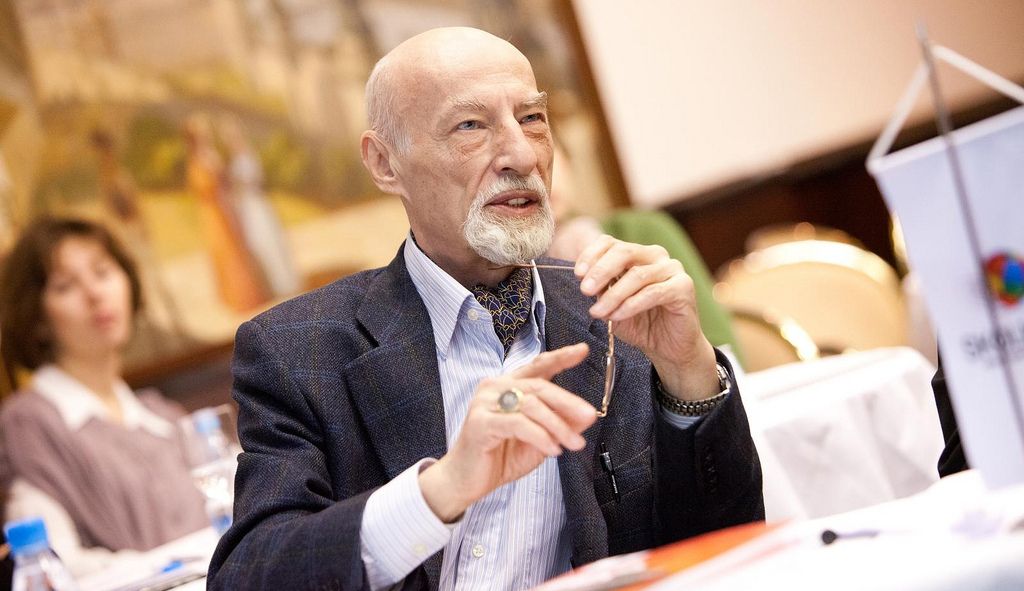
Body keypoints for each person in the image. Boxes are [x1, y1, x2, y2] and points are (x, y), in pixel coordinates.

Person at [208, 27, 763, 590]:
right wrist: (445, 488)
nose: (522, 155)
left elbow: (728, 551)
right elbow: (249, 577)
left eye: (532, 118)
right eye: (470, 125)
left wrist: (688, 373)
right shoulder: (299, 351)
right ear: (384, 163)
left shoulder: (615, 309)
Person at [0, 217, 208, 577]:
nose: (95, 294)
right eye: (65, 286)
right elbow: (55, 564)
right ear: (36, 318)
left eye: (103, 272)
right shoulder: (27, 423)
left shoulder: (161, 415)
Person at [184, 115, 270, 313]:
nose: (205, 135)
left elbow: (224, 179)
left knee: (238, 245)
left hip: (225, 206)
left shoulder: (211, 154)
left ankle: (250, 294)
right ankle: (238, 298)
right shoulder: (196, 161)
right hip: (213, 212)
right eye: (201, 133)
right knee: (226, 249)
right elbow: (201, 186)